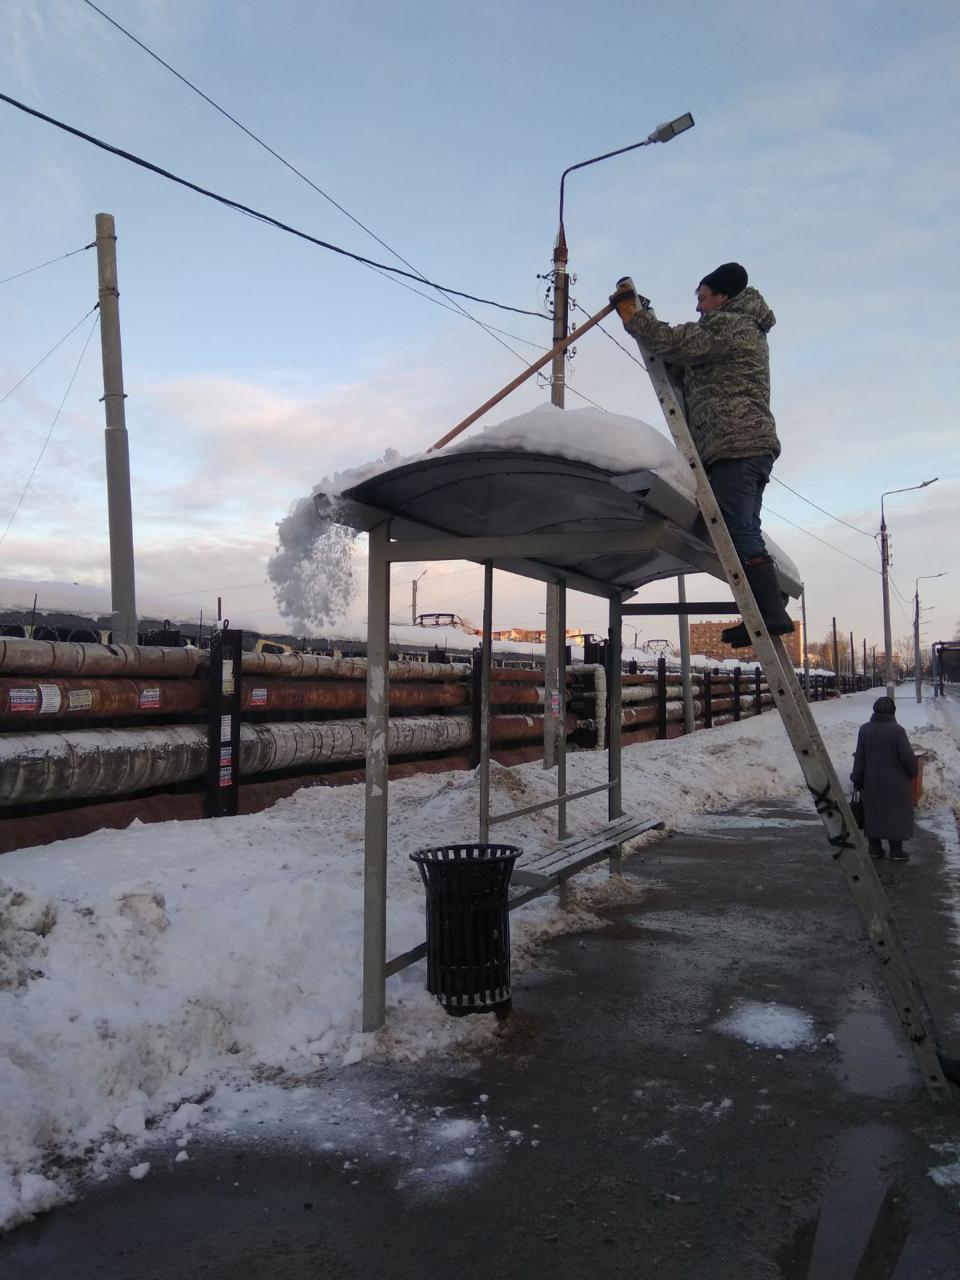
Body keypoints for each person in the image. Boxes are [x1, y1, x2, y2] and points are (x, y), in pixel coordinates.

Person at [610, 263, 792, 648]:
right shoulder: (734, 331)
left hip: (736, 445)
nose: (699, 308)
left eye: (703, 298)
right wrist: (647, 319)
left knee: (737, 531)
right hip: (746, 445)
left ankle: (769, 615)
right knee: (744, 531)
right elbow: (678, 361)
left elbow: (677, 343)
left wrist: (634, 318)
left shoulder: (730, 326)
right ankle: (766, 612)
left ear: (723, 297)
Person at [850, 696, 918, 861]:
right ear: (893, 711)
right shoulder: (898, 731)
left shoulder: (864, 729)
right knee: (895, 815)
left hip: (872, 781)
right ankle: (896, 851)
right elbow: (907, 758)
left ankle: (874, 849)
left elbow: (860, 757)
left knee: (873, 813)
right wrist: (912, 772)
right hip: (896, 784)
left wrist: (857, 778)